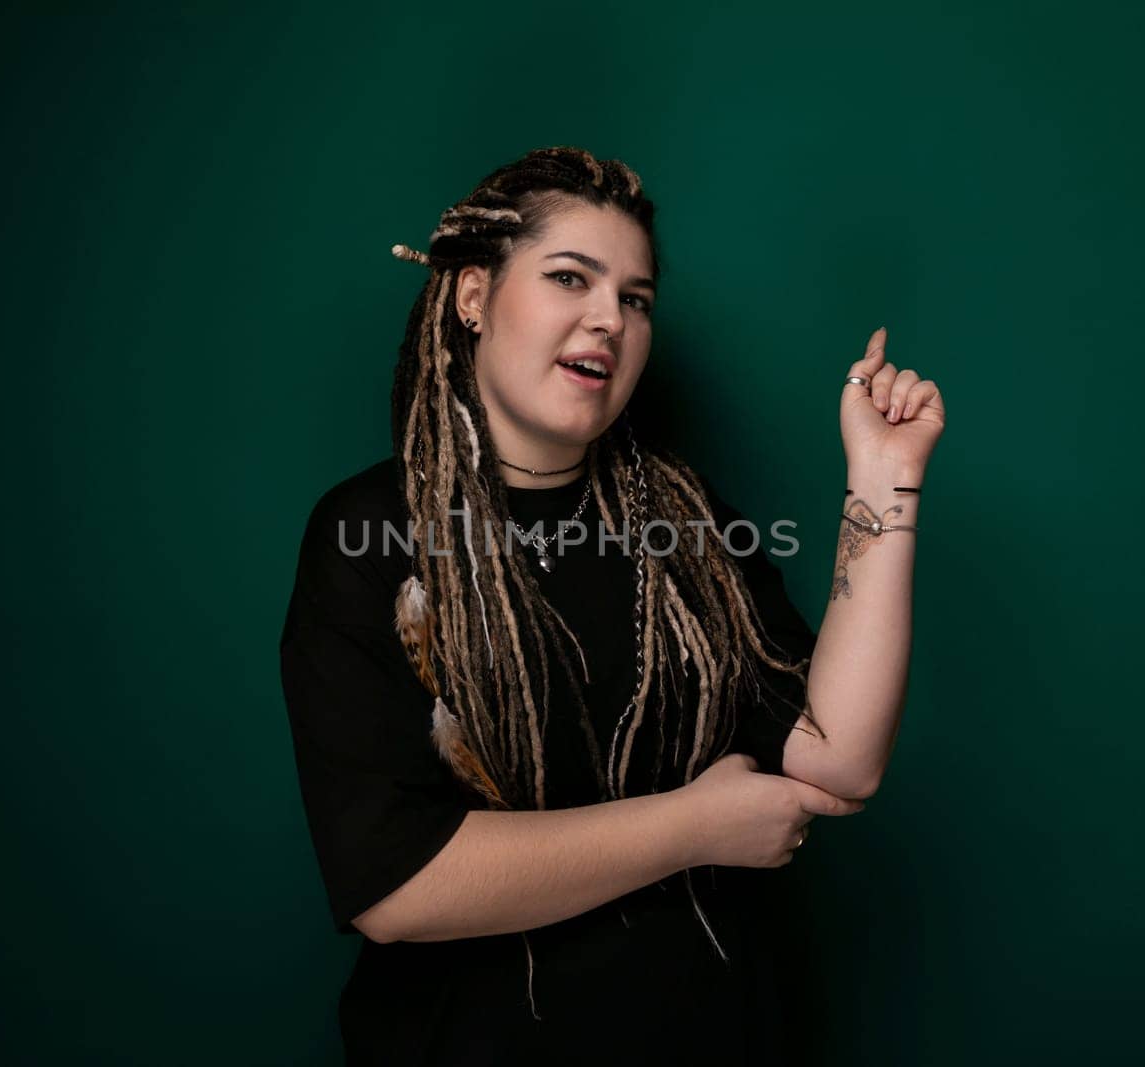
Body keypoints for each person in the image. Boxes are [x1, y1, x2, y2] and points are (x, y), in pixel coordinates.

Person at [277, 146, 946, 1065]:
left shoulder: (687, 522)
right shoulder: (368, 534)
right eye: (569, 278)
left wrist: (884, 481)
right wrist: (696, 827)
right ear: (472, 296)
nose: (609, 320)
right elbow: (395, 887)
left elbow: (842, 757)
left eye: (635, 298)